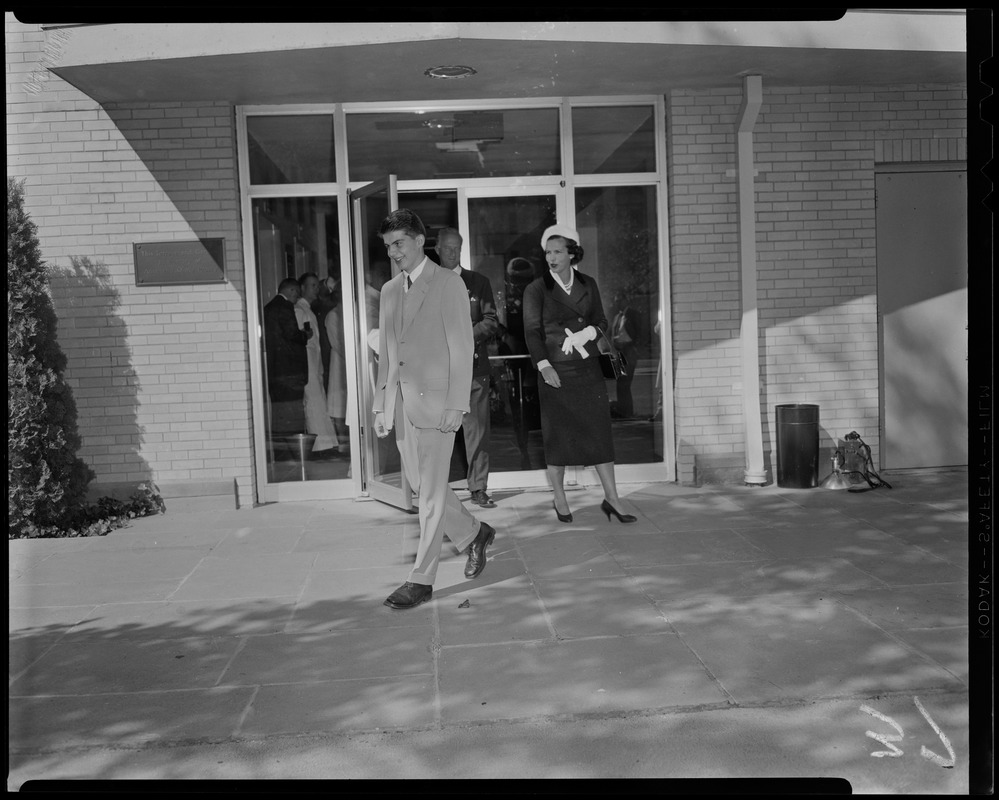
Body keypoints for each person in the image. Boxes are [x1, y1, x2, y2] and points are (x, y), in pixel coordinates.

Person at [372, 209, 496, 610]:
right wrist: (381, 405)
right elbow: (390, 355)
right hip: (404, 407)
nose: (393, 253)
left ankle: (421, 579)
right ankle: (474, 533)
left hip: (440, 405)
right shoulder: (390, 291)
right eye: (388, 246)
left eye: (399, 244)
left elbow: (463, 347)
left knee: (428, 499)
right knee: (426, 487)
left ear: (419, 241)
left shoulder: (448, 284)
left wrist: (458, 405)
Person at [523, 224, 638, 525]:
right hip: (556, 372)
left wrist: (589, 330)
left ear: (572, 253)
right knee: (558, 438)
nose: (551, 257)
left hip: (587, 369)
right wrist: (544, 366)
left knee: (599, 434)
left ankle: (612, 498)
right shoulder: (536, 289)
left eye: (558, 251)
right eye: (548, 252)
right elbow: (531, 332)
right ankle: (559, 496)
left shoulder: (588, 283)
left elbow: (600, 319)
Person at [435, 226, 500, 509]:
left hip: (474, 370)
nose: (452, 253)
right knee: (437, 433)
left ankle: (478, 488)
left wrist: (462, 334)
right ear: (436, 250)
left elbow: (490, 321)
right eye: (447, 248)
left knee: (477, 432)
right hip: (438, 373)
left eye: (456, 248)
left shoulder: (478, 281)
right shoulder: (425, 283)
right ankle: (436, 490)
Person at [295, 272, 338, 455]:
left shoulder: (309, 309)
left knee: (319, 399)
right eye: (311, 285)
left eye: (316, 285)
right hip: (307, 362)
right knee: (314, 401)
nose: (316, 289)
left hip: (314, 361)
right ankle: (320, 445)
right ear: (302, 288)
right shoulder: (299, 310)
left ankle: (327, 443)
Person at [263, 278, 311, 438]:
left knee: (278, 412)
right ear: (291, 290)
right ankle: (293, 447)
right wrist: (305, 335)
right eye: (296, 292)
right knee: (292, 412)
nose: (297, 296)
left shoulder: (268, 307)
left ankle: (280, 447)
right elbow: (291, 334)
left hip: (274, 369)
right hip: (290, 371)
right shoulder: (284, 307)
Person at [609, 292, 640, 418]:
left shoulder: (633, 314)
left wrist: (634, 346)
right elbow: (613, 333)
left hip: (629, 351)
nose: (617, 303)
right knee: (620, 382)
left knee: (625, 383)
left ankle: (628, 411)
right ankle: (623, 410)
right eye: (616, 301)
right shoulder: (617, 317)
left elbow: (640, 332)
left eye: (619, 300)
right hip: (619, 352)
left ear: (625, 300)